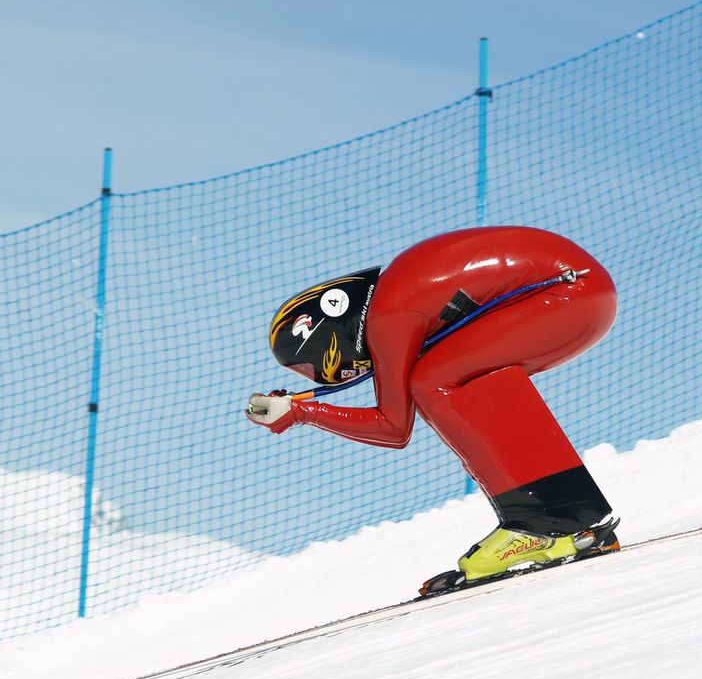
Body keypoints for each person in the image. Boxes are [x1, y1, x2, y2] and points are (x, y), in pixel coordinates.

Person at [246, 226, 621, 594]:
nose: (324, 376)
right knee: (453, 373)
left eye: (310, 367)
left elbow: (394, 427)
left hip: (570, 291)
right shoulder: (393, 297)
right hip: (579, 290)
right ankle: (570, 515)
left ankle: (537, 524)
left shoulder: (388, 317)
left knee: (431, 380)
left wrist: (302, 413)